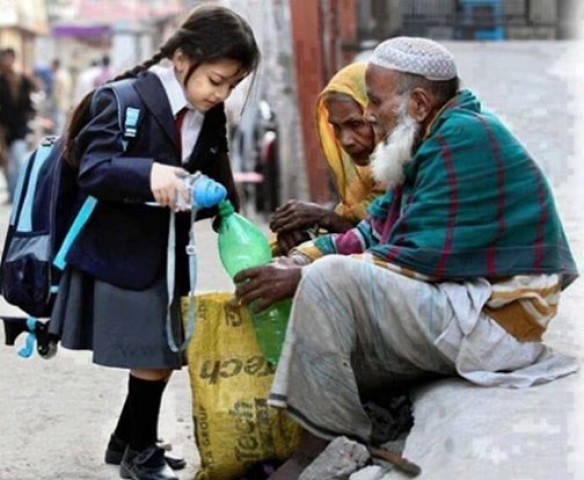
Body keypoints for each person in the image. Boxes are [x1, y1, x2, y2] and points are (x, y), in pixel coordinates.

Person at [233, 37, 579, 479]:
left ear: (417, 101)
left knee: (329, 282)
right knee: (319, 295)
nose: (370, 114)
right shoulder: (430, 135)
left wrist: (309, 275)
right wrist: (298, 260)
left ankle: (326, 448)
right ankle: (346, 432)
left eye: (375, 101)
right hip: (466, 304)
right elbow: (374, 229)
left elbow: (418, 255)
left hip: (498, 320)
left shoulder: (463, 138)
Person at [48, 5, 259, 480]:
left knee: (159, 351)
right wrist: (150, 175)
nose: (220, 94)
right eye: (216, 80)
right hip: (123, 252)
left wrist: (221, 204)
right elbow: (94, 170)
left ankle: (126, 438)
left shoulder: (209, 112)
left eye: (230, 85)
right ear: (183, 58)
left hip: (168, 252)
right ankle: (139, 453)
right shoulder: (123, 101)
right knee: (156, 355)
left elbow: (217, 178)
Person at [270, 62, 384, 255]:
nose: (345, 140)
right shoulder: (362, 185)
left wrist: (325, 218)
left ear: (378, 117)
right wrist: (303, 236)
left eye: (356, 124)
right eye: (336, 128)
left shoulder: (407, 173)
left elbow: (384, 240)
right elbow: (353, 231)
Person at [0, 48, 36, 202]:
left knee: (18, 159)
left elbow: (29, 100)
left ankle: (18, 194)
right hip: (3, 131)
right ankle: (12, 192)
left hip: (19, 128)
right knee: (6, 164)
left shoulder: (22, 80)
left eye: (9, 58)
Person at [49, 58, 72, 134]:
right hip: (66, 102)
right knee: (63, 124)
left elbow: (56, 93)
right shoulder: (66, 75)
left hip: (58, 104)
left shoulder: (57, 76)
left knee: (57, 125)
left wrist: (53, 104)